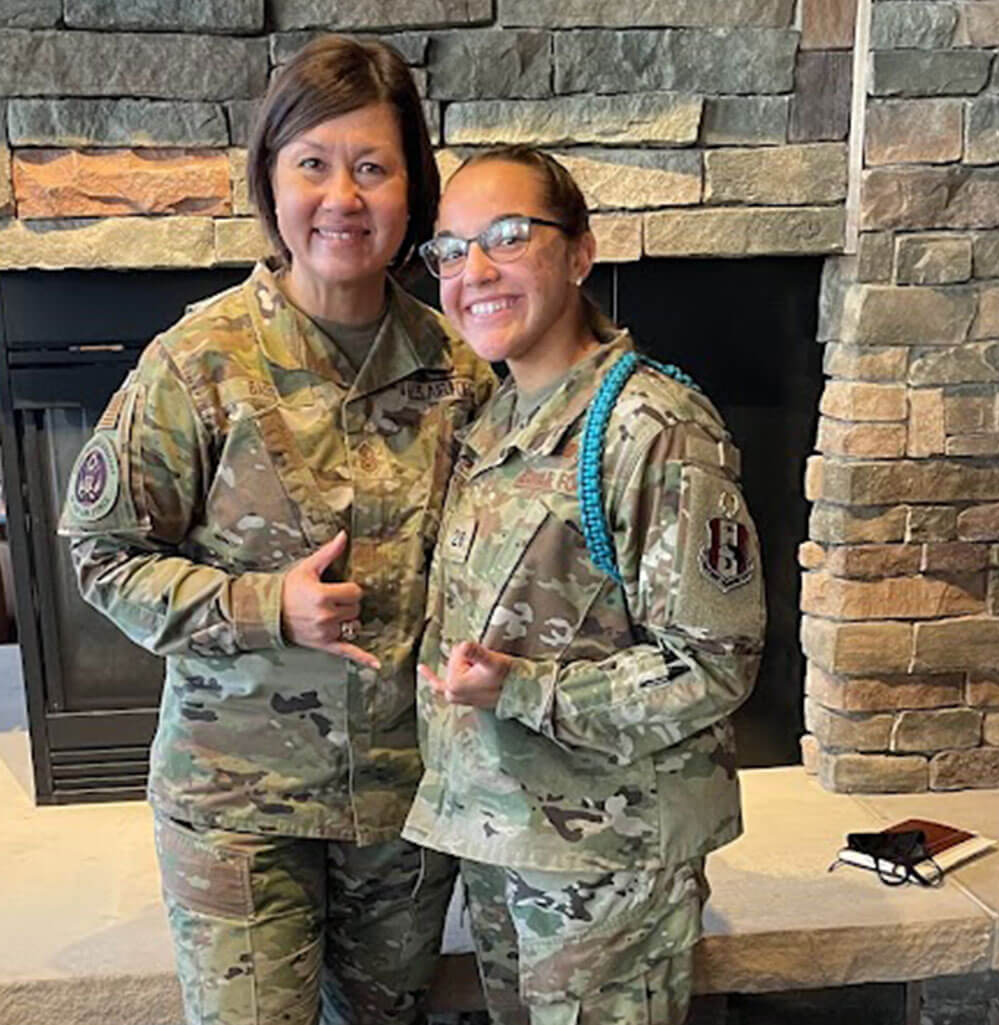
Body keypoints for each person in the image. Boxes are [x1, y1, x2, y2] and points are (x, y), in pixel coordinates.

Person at [57, 36, 497, 1025]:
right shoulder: (198, 363)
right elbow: (102, 551)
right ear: (269, 179)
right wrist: (264, 604)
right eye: (312, 163)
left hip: (402, 805)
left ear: (412, 191)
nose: (342, 196)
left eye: (372, 167)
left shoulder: (459, 367)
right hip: (236, 807)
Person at [403, 147, 766, 1025]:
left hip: (609, 857)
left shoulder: (653, 428)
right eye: (450, 250)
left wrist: (521, 688)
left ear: (578, 253)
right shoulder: (497, 421)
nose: (474, 270)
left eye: (508, 237)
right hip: (502, 831)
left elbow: (715, 667)